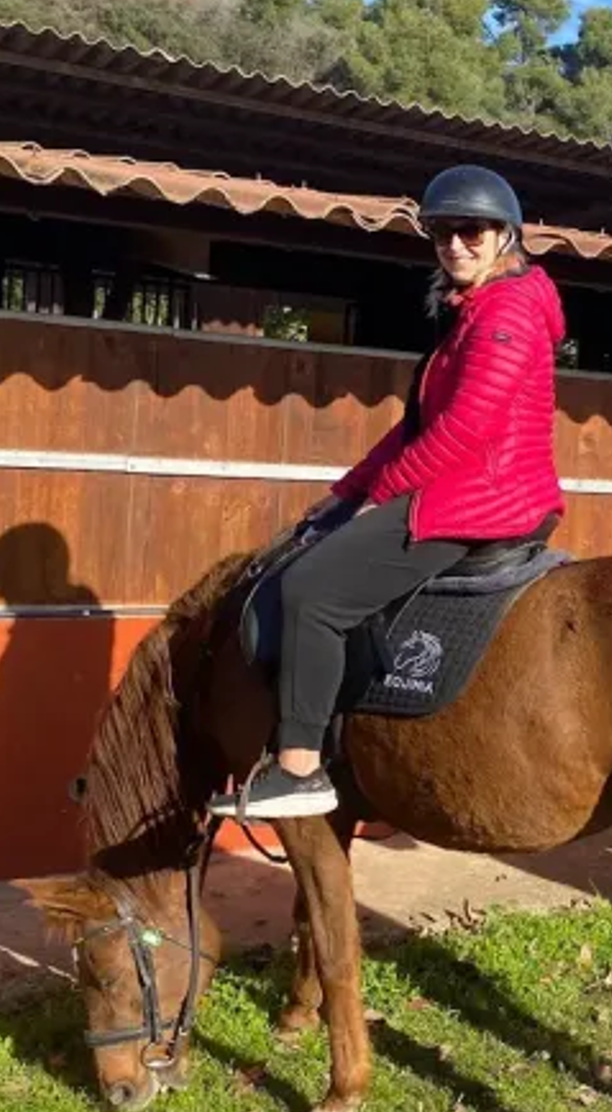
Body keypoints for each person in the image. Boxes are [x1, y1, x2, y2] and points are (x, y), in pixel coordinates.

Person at [212, 164, 567, 820]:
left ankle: (300, 767)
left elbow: (466, 426)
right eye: (440, 233)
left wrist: (385, 495)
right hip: (472, 483)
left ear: (506, 235)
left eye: (470, 230)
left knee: (310, 591)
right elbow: (417, 425)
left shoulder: (504, 313)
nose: (455, 244)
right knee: (319, 542)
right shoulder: (478, 307)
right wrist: (347, 490)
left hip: (480, 498)